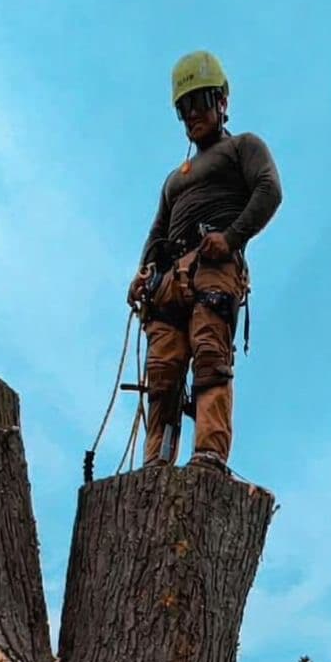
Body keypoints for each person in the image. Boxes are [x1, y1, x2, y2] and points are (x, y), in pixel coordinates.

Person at [129, 51, 282, 473]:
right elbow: (157, 234)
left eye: (200, 103)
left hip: (214, 268)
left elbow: (269, 190)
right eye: (185, 107)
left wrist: (230, 238)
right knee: (162, 373)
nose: (192, 114)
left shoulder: (242, 147)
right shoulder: (174, 179)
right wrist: (143, 275)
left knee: (211, 357)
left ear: (221, 102)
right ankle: (156, 463)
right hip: (169, 279)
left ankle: (208, 455)